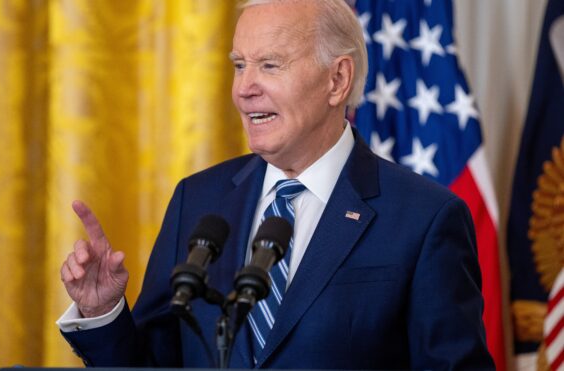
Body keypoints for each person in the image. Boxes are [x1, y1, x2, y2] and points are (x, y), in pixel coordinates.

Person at [57, 0, 495, 369]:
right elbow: (155, 362)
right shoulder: (198, 200)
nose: (244, 88)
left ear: (337, 80)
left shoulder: (424, 218)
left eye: (269, 65)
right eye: (239, 65)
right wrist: (102, 312)